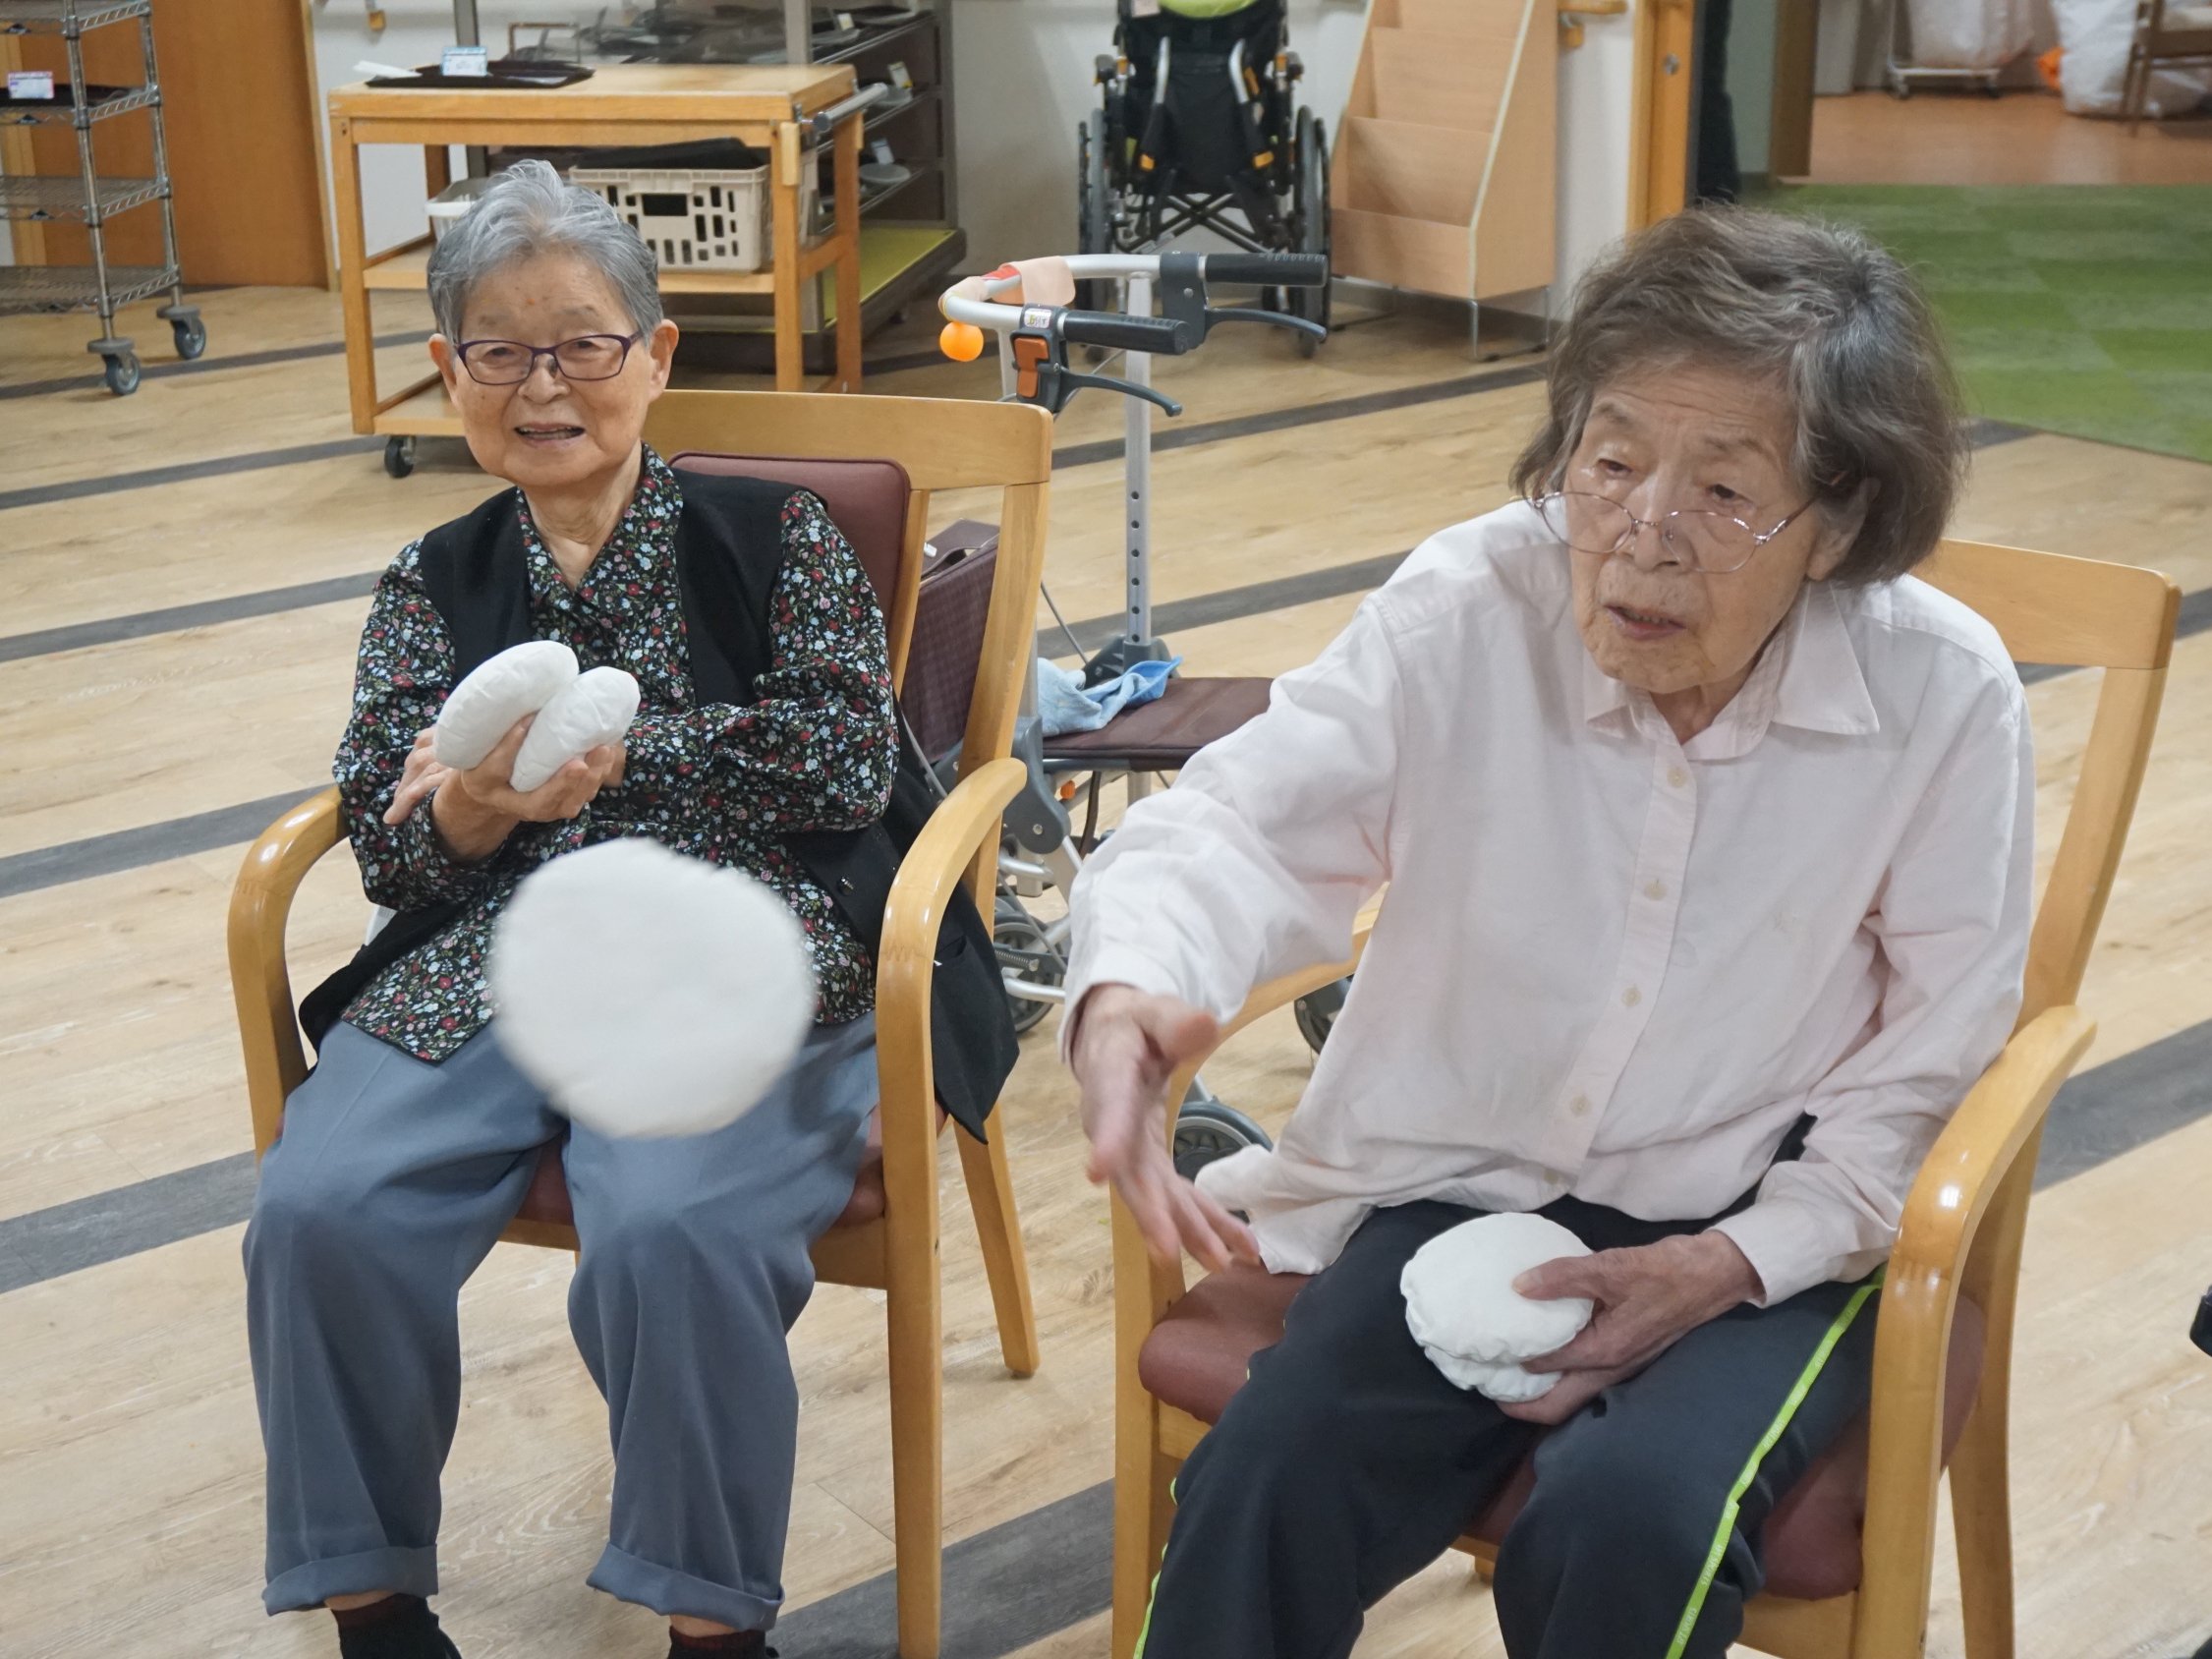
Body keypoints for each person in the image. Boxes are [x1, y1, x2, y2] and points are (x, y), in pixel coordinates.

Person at [1067, 207, 2034, 1658]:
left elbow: (1938, 1053)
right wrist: (1135, 983)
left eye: (1723, 492)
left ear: (1836, 522)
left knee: (1628, 1522)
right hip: (1466, 1177)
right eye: (1612, 463)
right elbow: (1245, 820)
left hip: (1772, 1221)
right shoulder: (1469, 604)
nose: (1642, 539)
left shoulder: (1943, 696)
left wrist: (1735, 1260)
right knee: (1270, 1482)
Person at [243, 160, 1012, 1659]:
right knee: (316, 1210)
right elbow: (392, 847)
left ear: (656, 356)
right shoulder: (430, 580)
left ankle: (709, 1623)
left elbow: (849, 763)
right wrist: (474, 811)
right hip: (488, 959)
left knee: (670, 1228)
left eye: (585, 343)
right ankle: (371, 1608)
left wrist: (595, 765)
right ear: (446, 373)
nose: (546, 385)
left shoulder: (776, 537)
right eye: (501, 350)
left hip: (740, 937)